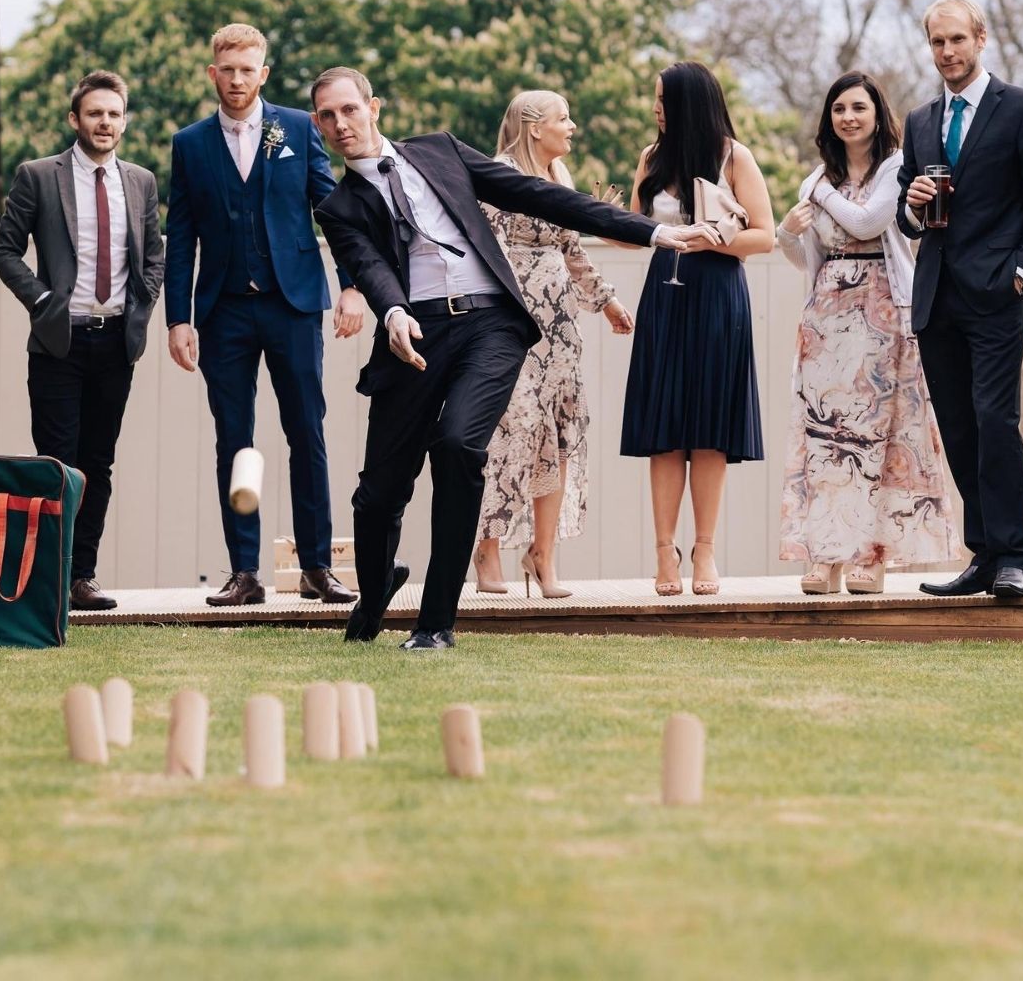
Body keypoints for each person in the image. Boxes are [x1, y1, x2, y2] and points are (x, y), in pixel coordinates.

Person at [311, 66, 712, 649]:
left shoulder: (440, 152)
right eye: (327, 115)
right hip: (414, 332)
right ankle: (375, 595)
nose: (341, 123)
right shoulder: (339, 207)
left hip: (490, 322)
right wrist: (394, 314)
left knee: (458, 446)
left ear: (374, 108)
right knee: (379, 493)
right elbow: (371, 269)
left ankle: (435, 625)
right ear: (320, 125)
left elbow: (540, 195)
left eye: (350, 109)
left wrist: (651, 232)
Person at [164, 24, 367, 608]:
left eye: (247, 70)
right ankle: (244, 572)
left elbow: (335, 212)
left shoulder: (299, 129)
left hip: (294, 303)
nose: (236, 80)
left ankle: (317, 566)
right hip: (223, 310)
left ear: (263, 74)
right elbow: (180, 238)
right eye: (226, 70)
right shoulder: (191, 144)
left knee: (307, 432)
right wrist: (180, 318)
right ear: (213, 73)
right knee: (236, 441)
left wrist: (351, 287)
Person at [897, 0, 1023, 600]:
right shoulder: (919, 122)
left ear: (981, 38)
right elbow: (904, 213)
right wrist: (913, 206)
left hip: (997, 298)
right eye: (937, 43)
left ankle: (1016, 556)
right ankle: (984, 555)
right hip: (936, 299)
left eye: (956, 41)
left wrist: (1021, 276)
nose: (947, 53)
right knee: (960, 428)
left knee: (996, 421)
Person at [775, 72, 959, 594]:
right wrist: (789, 229)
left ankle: (873, 556)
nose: (848, 117)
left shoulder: (897, 167)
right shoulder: (820, 177)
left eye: (858, 107)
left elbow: (867, 223)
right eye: (838, 109)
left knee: (879, 438)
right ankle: (826, 555)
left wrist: (819, 193)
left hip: (882, 313)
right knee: (828, 439)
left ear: (877, 113)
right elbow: (805, 254)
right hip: (827, 317)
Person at [0, 70, 165, 611]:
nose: (105, 122)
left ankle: (80, 577)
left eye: (114, 114)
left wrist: (143, 303)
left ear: (124, 120)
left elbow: (154, 255)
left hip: (117, 344)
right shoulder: (38, 176)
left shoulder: (140, 182)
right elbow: (4, 251)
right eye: (95, 113)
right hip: (59, 345)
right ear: (76, 119)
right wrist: (42, 302)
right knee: (56, 463)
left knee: (97, 463)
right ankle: (47, 580)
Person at [471, 91, 634, 599]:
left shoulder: (559, 178)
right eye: (564, 118)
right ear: (533, 126)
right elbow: (485, 250)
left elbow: (571, 251)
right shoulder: (498, 176)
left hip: (560, 323)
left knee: (559, 436)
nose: (573, 126)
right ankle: (487, 547)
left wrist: (606, 301)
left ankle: (543, 555)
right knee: (508, 429)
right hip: (513, 320)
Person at [620, 61, 774, 597]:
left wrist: (714, 241)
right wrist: (611, 216)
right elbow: (632, 232)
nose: (656, 108)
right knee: (665, 430)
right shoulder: (650, 158)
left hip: (718, 293)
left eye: (663, 99)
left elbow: (765, 237)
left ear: (689, 103)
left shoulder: (735, 156)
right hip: (665, 292)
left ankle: (704, 550)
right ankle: (665, 554)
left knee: (709, 432)